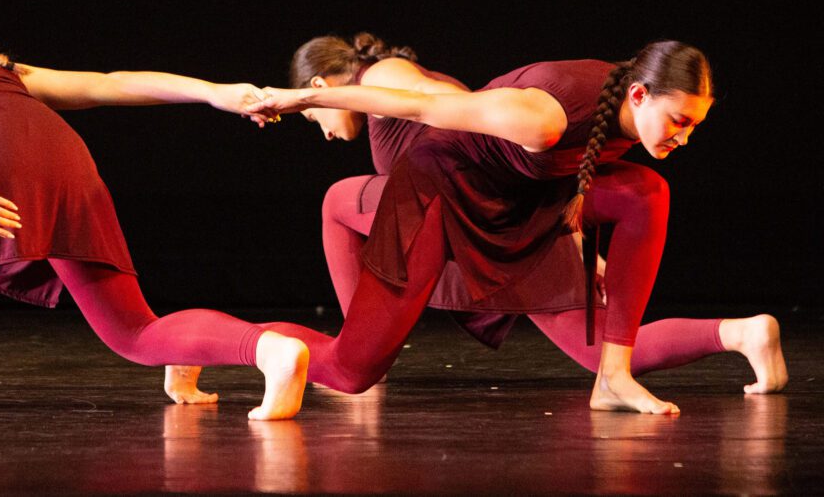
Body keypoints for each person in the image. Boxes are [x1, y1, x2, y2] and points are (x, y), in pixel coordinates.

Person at [0, 0, 308, 421]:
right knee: (136, 332)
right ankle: (269, 350)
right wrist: (212, 92)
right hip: (70, 167)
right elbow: (109, 84)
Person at [246, 38, 787, 414]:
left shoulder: (615, 109)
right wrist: (304, 100)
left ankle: (698, 347)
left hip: (508, 210)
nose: (683, 138)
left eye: (692, 125)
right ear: (642, 95)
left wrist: (580, 245)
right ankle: (347, 341)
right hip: (464, 203)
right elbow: (419, 106)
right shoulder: (543, 115)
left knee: (648, 195)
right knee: (351, 345)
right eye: (680, 122)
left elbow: (562, 169)